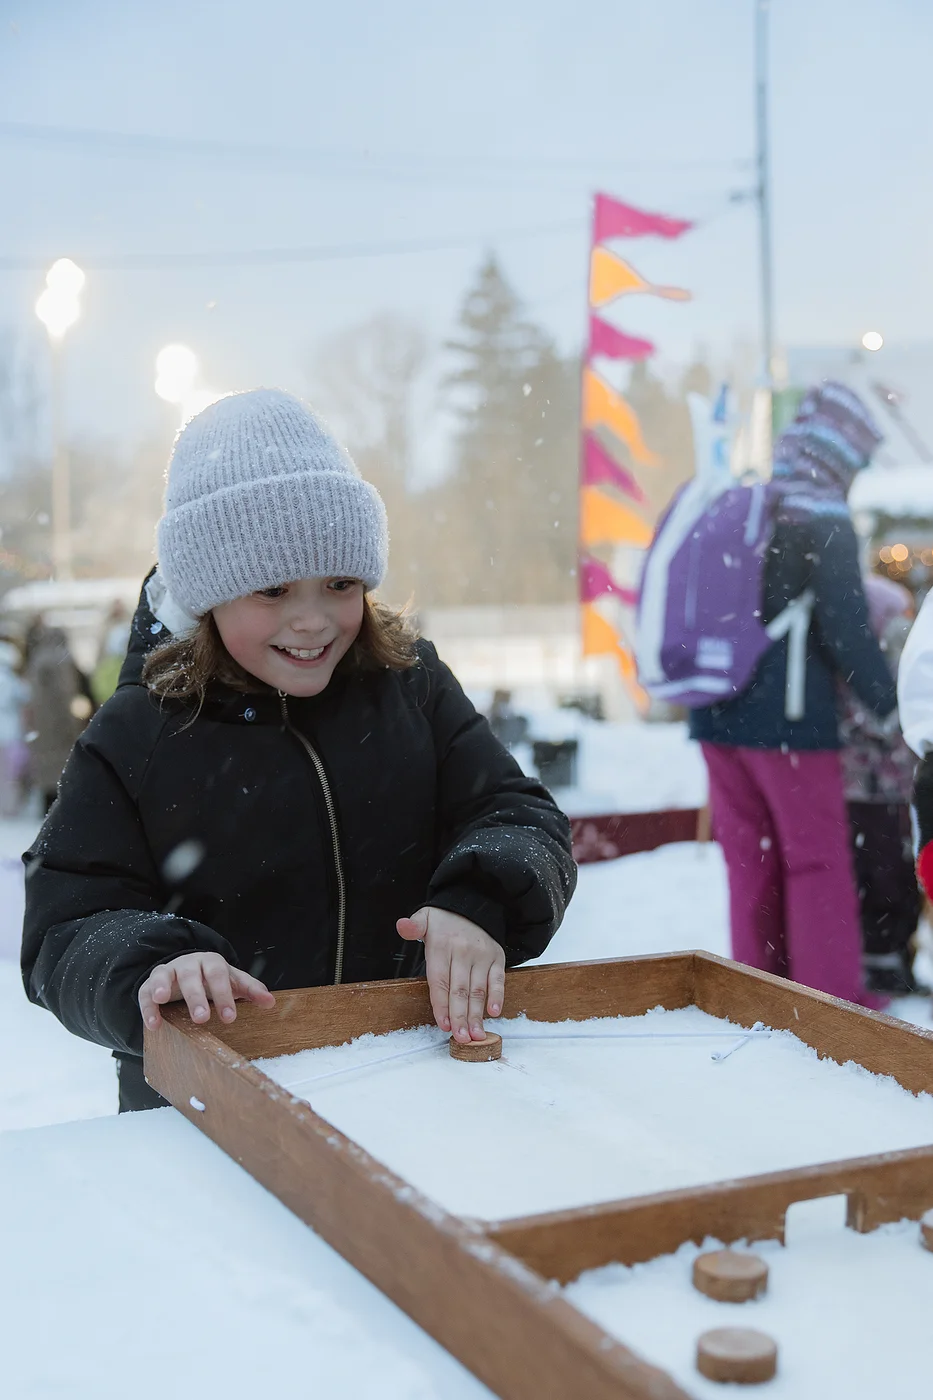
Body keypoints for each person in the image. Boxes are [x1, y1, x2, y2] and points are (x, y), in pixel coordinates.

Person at [21, 389, 576, 1112]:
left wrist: (480, 901)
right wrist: (152, 964)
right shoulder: (138, 732)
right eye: (273, 590)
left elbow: (519, 815)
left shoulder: (410, 685)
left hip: (408, 1078)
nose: (311, 620)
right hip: (212, 1112)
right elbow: (67, 925)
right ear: (208, 595)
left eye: (339, 584)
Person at [690, 382, 896, 1007]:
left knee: (751, 863)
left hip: (716, 715)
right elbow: (848, 632)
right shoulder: (822, 517)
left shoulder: (740, 503)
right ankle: (829, 1004)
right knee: (816, 862)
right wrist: (897, 713)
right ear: (839, 457)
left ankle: (760, 996)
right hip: (791, 724)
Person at [839, 574, 921, 995]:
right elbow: (874, 719)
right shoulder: (862, 667)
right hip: (868, 791)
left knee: (892, 873)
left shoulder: (881, 661)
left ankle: (893, 957)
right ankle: (880, 959)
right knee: (880, 873)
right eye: (893, 616)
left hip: (886, 791)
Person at [23, 621, 92, 813]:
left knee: (45, 764)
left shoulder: (37, 658)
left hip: (42, 723)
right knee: (63, 765)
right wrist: (74, 723)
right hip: (60, 721)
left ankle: (45, 807)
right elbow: (67, 692)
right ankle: (60, 810)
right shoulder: (62, 658)